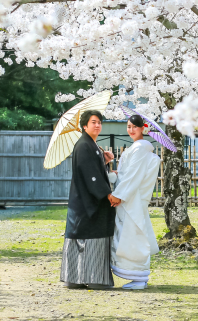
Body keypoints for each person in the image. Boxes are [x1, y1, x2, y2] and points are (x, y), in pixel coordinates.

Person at [61, 109, 121, 290]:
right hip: (87, 202)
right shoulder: (84, 145)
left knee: (83, 236)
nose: (98, 125)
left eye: (99, 122)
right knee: (90, 236)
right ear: (85, 125)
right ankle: (95, 278)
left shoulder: (91, 145)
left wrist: (104, 161)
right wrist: (107, 194)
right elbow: (90, 175)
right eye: (93, 122)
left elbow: (94, 169)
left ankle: (75, 278)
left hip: (86, 201)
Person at [109, 114, 162, 290]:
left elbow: (133, 176)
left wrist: (118, 195)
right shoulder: (138, 148)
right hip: (131, 198)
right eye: (129, 126)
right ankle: (137, 276)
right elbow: (128, 173)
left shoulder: (139, 148)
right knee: (132, 234)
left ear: (143, 129)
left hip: (131, 198)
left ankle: (138, 276)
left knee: (132, 235)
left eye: (135, 127)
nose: (131, 130)